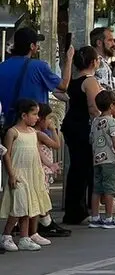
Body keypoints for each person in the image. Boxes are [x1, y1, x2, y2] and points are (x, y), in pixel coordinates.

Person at [0, 99, 52, 252]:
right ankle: (6, 235)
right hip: (19, 174)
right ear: (24, 115)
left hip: (32, 174)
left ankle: (25, 237)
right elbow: (6, 155)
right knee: (19, 206)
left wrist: (44, 168)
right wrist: (11, 174)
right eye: (34, 114)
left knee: (28, 207)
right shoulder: (13, 132)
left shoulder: (33, 133)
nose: (37, 118)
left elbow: (37, 152)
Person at [61, 46, 103, 226]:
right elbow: (94, 107)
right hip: (83, 127)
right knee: (84, 169)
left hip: (71, 124)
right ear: (93, 62)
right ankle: (79, 209)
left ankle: (75, 209)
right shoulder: (90, 81)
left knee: (77, 168)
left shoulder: (73, 79)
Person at [0, 28, 72, 129]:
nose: (38, 46)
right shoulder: (39, 66)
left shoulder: (2, 67)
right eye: (36, 43)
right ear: (32, 46)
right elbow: (64, 86)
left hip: (9, 125)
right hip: (35, 128)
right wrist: (69, 58)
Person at [89, 90, 115, 229]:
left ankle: (95, 217)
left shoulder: (95, 121)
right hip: (110, 160)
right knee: (109, 189)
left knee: (97, 189)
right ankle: (109, 218)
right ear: (112, 106)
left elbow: (91, 139)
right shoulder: (112, 122)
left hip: (97, 159)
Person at [33, 103, 64, 240]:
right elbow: (57, 145)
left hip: (44, 169)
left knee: (43, 196)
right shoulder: (40, 134)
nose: (49, 122)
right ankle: (46, 222)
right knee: (43, 197)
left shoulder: (35, 133)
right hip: (43, 171)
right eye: (48, 119)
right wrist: (54, 129)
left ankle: (46, 221)